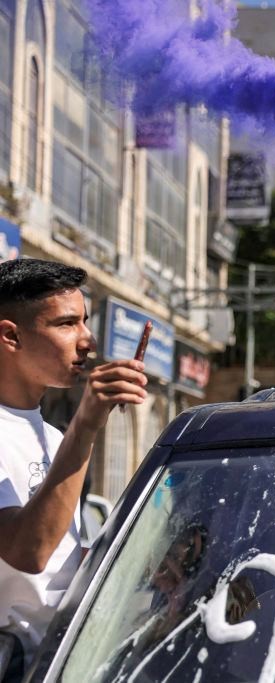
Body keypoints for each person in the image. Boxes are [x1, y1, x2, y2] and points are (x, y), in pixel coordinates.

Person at [0, 258, 148, 674]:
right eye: (67, 324)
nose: (88, 341)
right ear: (11, 336)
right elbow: (29, 552)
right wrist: (86, 423)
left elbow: (59, 560)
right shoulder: (67, 434)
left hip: (61, 660)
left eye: (85, 321)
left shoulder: (51, 436)